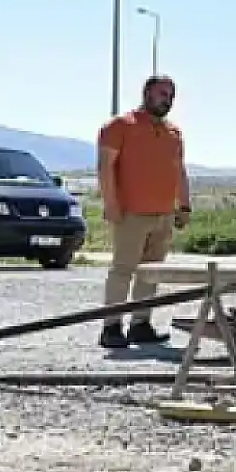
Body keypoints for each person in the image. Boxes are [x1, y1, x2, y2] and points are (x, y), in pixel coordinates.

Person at [96, 75, 191, 349]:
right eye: (162, 93)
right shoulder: (119, 127)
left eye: (171, 95)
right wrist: (111, 204)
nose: (167, 100)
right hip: (131, 214)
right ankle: (111, 326)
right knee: (123, 270)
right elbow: (105, 168)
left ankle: (141, 323)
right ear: (146, 94)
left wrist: (183, 204)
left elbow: (179, 171)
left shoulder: (174, 134)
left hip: (162, 215)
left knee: (151, 272)